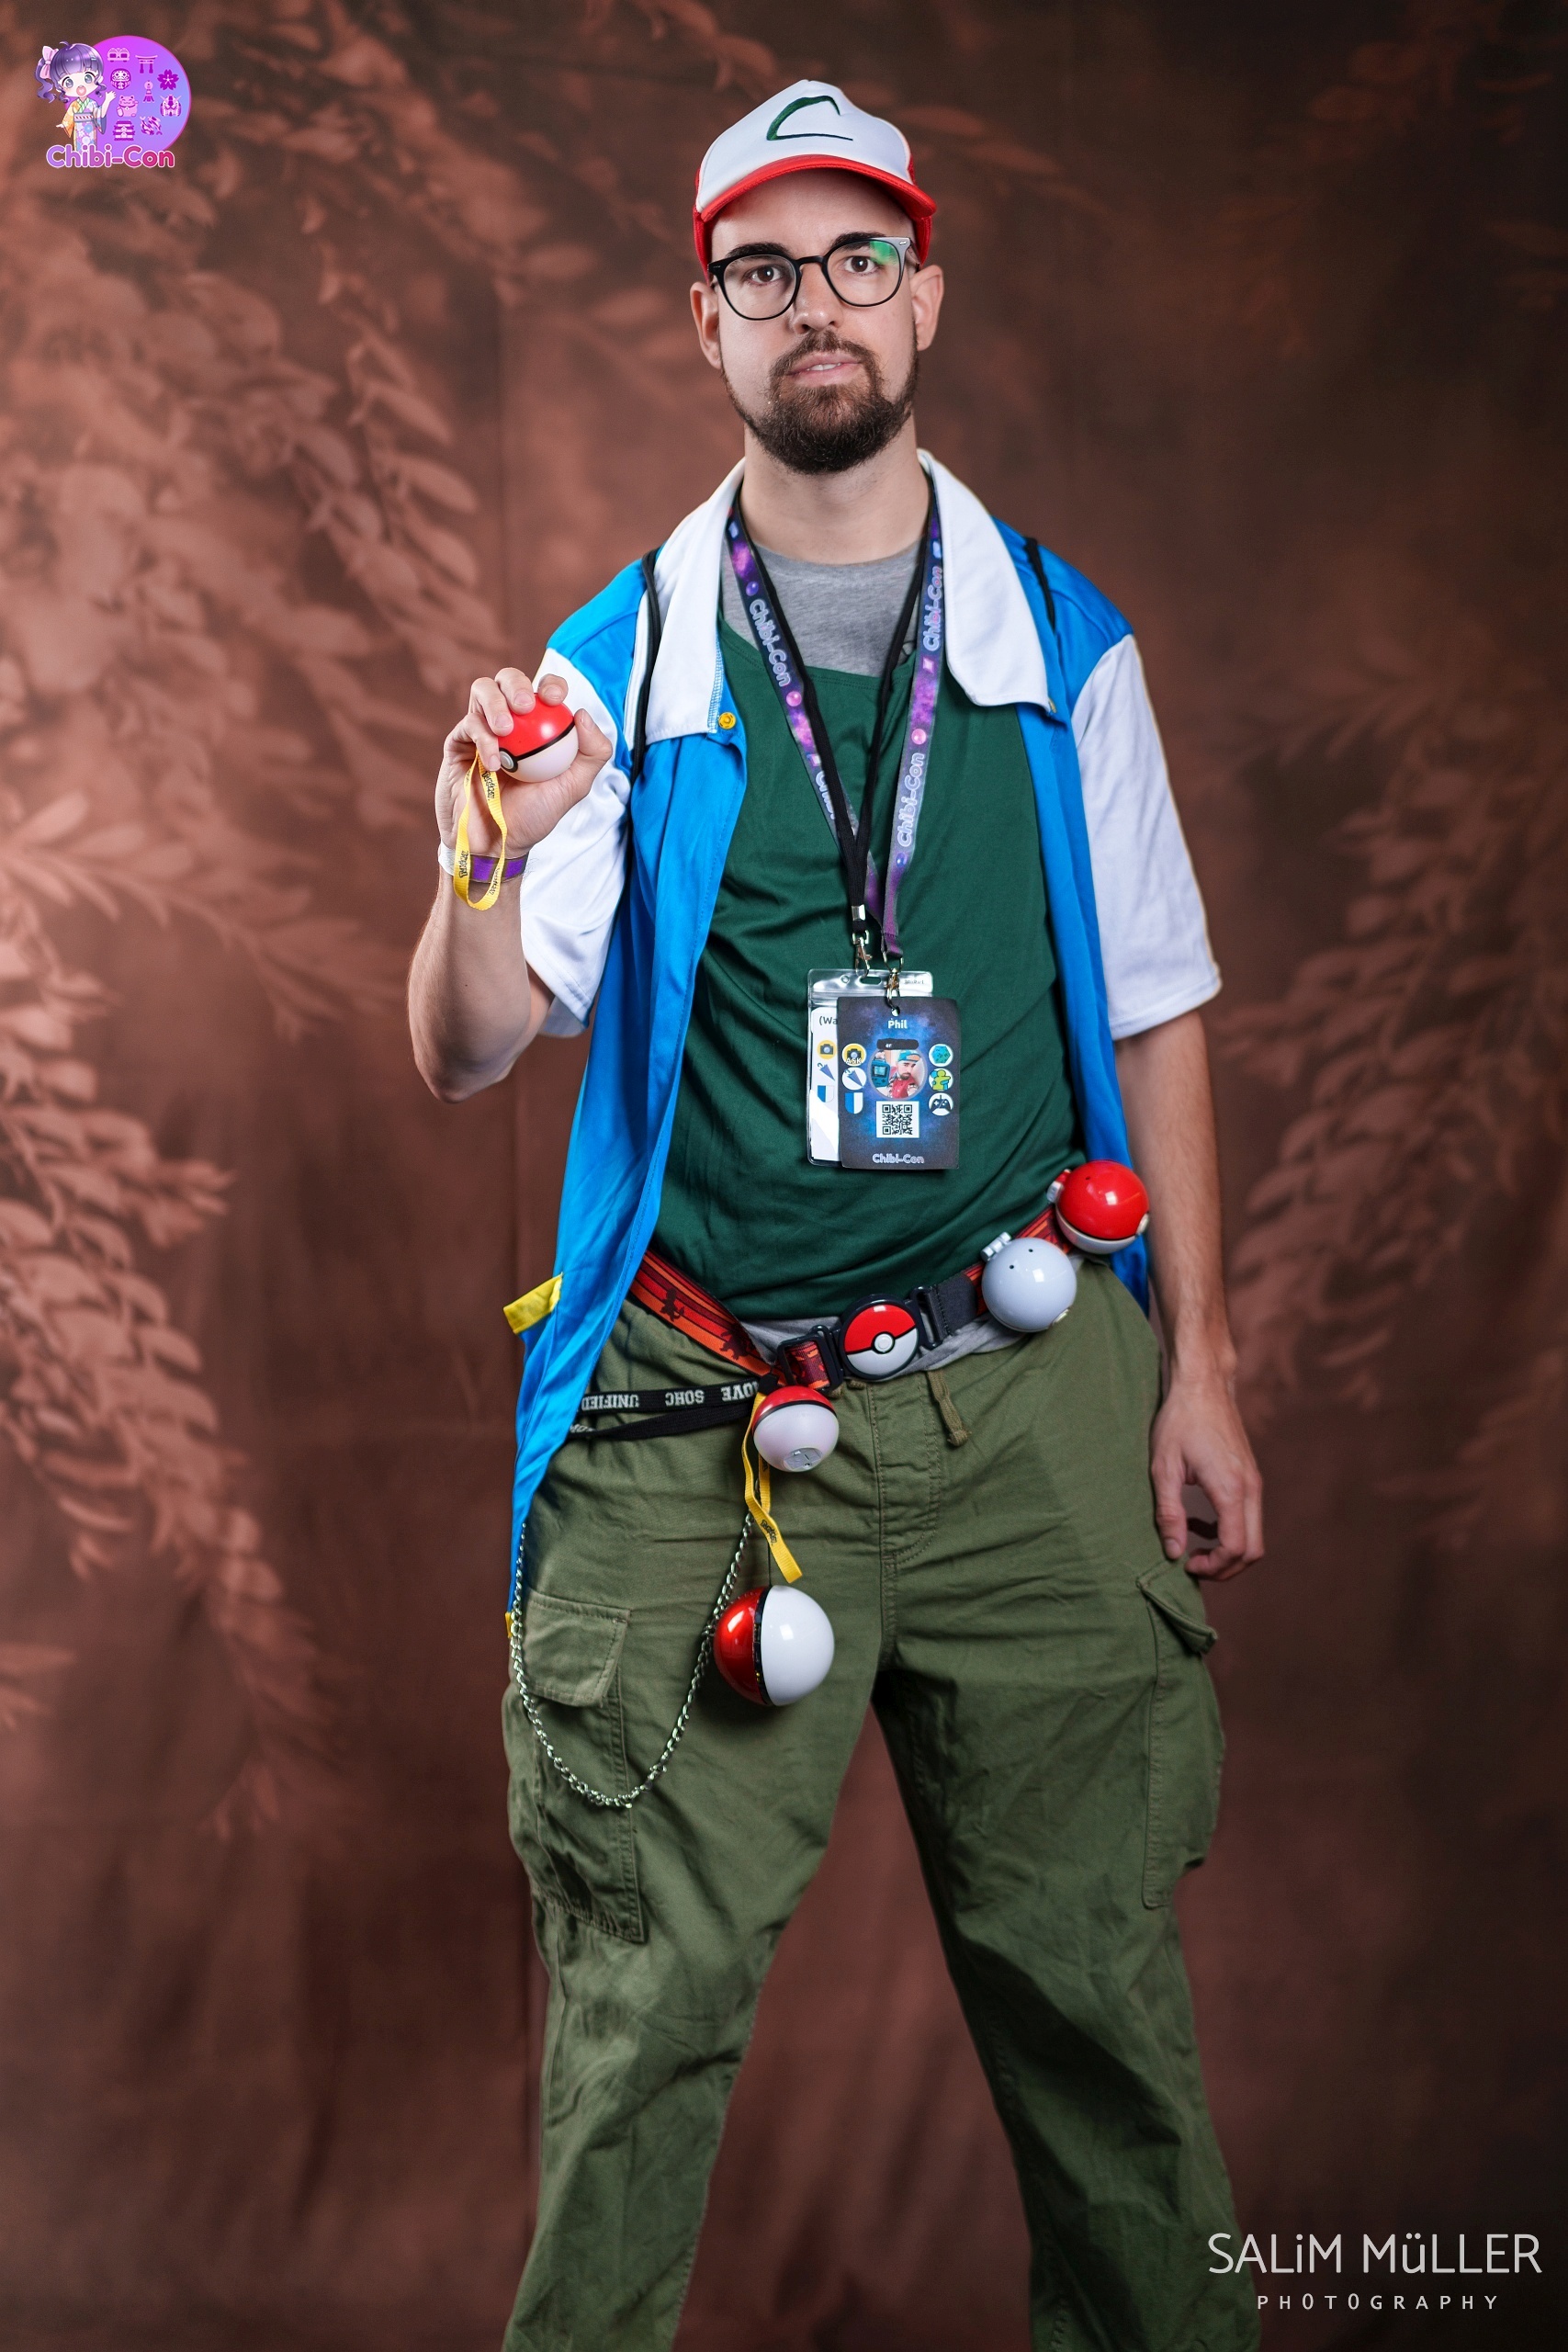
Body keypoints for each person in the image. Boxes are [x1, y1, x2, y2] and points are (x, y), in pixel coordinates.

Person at [409, 78, 1264, 2352]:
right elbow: (467, 1046)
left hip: (1032, 1399)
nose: (819, 305)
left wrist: (1199, 1363)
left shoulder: (1065, 643)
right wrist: (476, 851)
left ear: (924, 299)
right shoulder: (610, 668)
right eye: (765, 269)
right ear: (703, 321)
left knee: (1102, 2023)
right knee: (633, 2044)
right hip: (704, 1419)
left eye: (857, 258)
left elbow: (1159, 1003)